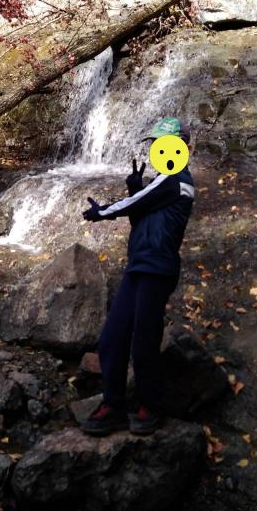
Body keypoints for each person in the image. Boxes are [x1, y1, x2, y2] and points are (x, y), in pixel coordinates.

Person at [80, 117, 195, 436]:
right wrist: (136, 188)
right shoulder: (162, 184)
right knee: (111, 339)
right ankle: (113, 405)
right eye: (156, 144)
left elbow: (136, 203)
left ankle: (150, 406)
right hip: (138, 267)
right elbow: (142, 220)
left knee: (144, 341)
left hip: (157, 270)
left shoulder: (177, 179)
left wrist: (102, 211)